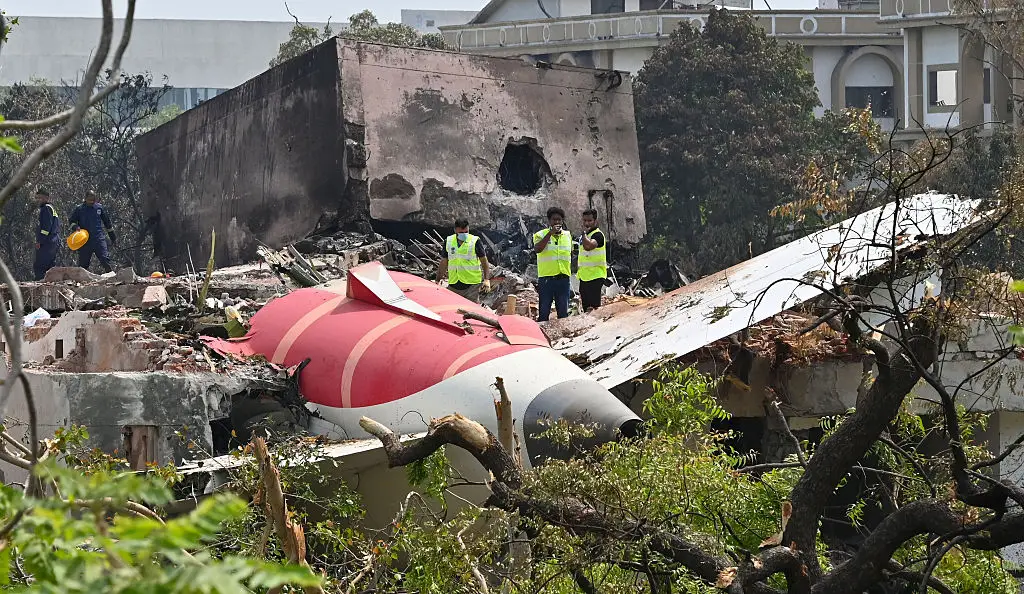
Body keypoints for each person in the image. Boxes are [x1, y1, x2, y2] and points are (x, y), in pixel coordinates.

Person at [437, 217, 490, 303]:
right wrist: (437, 280)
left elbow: (484, 261)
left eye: (466, 232)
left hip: (472, 286)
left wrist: (487, 279)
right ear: (455, 230)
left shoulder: (475, 241)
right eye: (461, 233)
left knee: (470, 310)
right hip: (454, 284)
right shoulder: (449, 241)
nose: (464, 234)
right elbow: (444, 262)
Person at [533, 206, 572, 322]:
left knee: (563, 312)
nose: (557, 222)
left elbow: (571, 253)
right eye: (554, 220)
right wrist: (550, 233)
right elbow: (537, 249)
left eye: (559, 220)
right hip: (546, 279)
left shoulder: (567, 235)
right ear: (549, 221)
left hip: (563, 278)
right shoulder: (540, 235)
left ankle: (563, 338)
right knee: (544, 311)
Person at [70, 190, 116, 273]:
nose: (91, 202)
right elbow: (71, 221)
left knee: (105, 259)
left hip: (98, 239)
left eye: (93, 200)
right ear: (85, 198)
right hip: (85, 240)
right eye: (89, 200)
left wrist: (113, 237)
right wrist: (75, 227)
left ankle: (112, 277)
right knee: (83, 265)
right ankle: (80, 282)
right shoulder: (79, 209)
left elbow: (107, 223)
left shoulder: (99, 208)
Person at [577, 208, 607, 312]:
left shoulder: (598, 235)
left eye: (589, 221)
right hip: (584, 276)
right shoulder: (585, 236)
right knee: (586, 307)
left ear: (595, 221)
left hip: (595, 275)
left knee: (594, 308)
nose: (587, 223)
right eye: (585, 220)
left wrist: (583, 234)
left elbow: (589, 246)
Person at [33, 188, 60, 281]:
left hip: (48, 242)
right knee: (50, 266)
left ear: (46, 198)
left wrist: (40, 241)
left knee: (40, 265)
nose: (38, 200)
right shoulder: (51, 208)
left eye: (40, 198)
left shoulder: (46, 208)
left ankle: (39, 285)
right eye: (37, 198)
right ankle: (52, 283)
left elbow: (46, 228)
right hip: (52, 241)